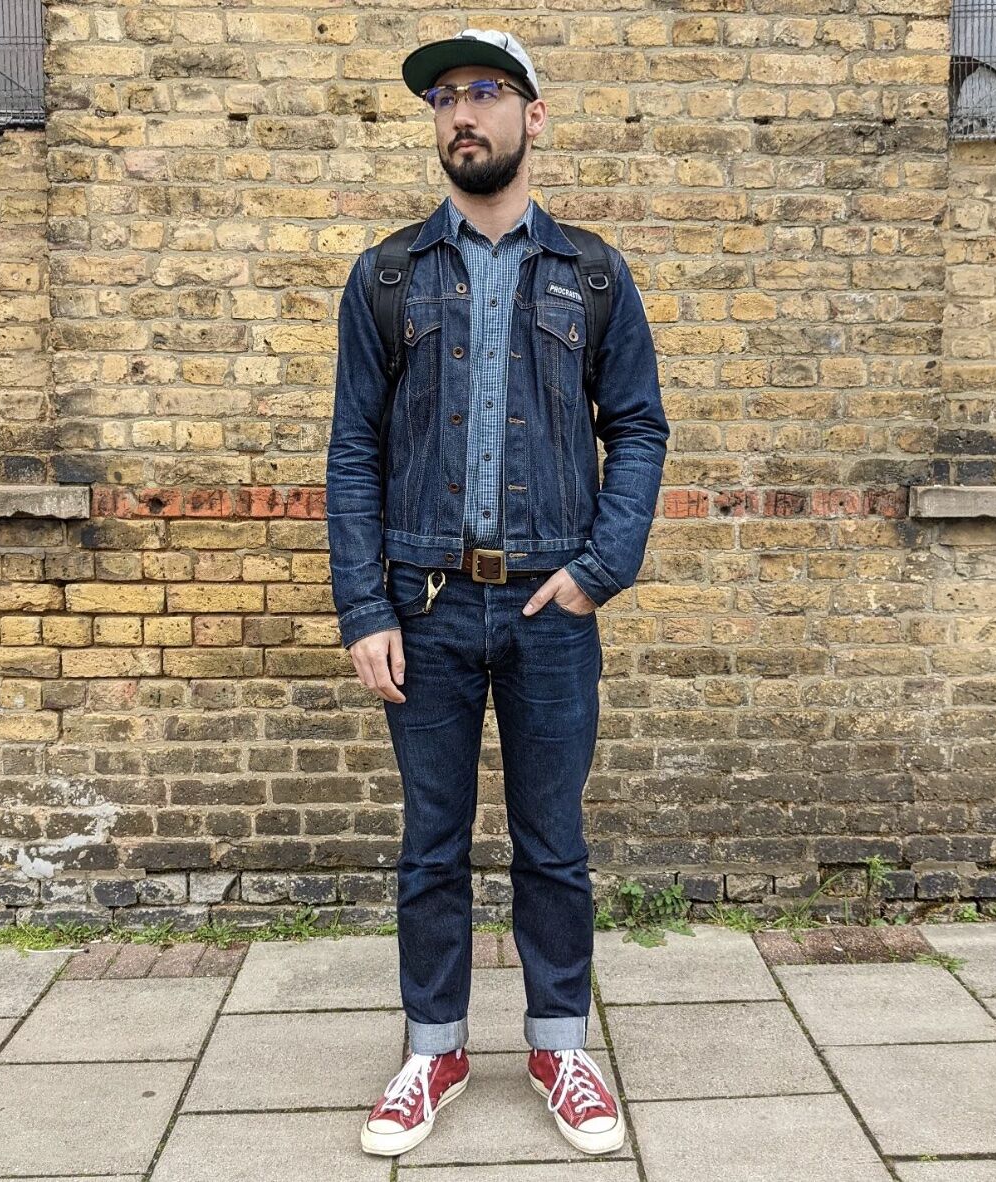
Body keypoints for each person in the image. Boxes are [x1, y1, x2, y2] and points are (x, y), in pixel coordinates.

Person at [325, 27, 669, 1159]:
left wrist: (597, 571)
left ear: (534, 115)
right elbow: (352, 454)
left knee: (550, 840)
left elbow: (640, 429)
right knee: (431, 844)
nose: (459, 114)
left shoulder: (593, 274)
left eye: (484, 92)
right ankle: (435, 1048)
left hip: (547, 612)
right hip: (422, 608)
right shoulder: (386, 277)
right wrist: (366, 609)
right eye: (443, 99)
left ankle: (560, 1042)